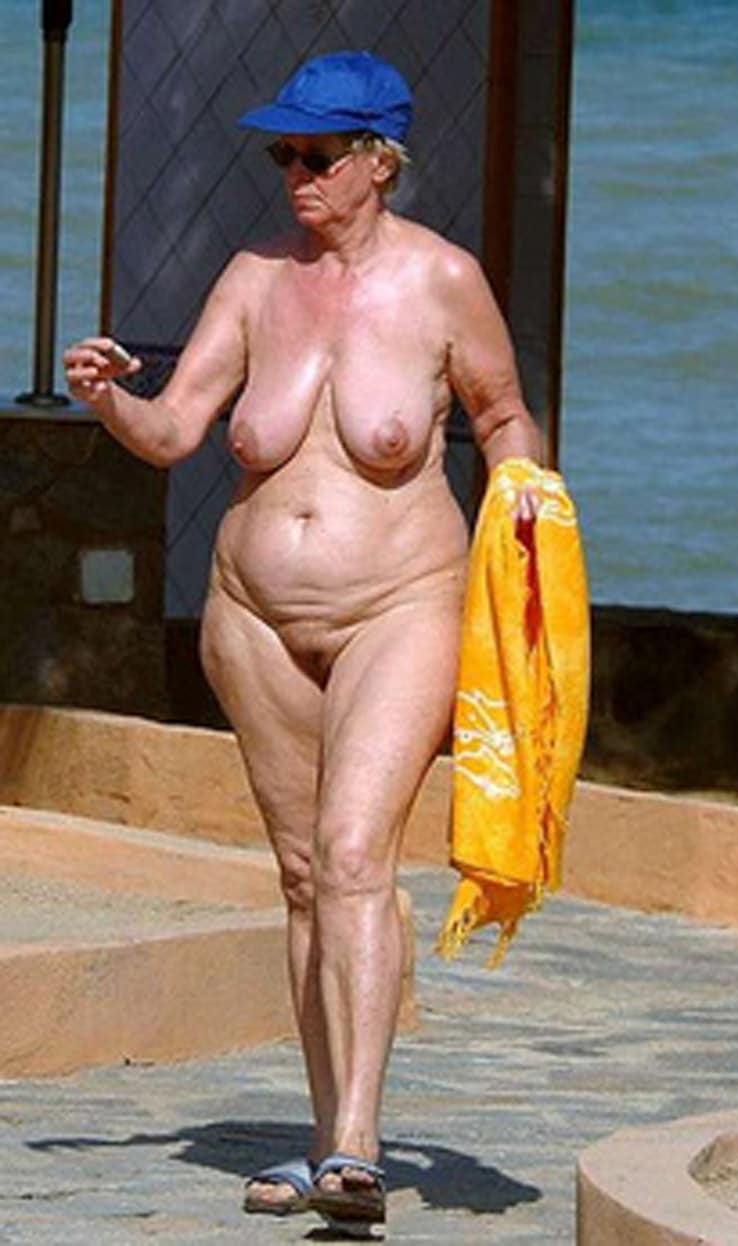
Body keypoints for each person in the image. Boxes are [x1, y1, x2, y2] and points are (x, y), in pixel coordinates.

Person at [64, 49, 542, 1233]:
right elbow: (177, 429)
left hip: (402, 604)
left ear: (380, 160)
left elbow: (501, 416)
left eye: (318, 156)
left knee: (353, 851)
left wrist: (531, 513)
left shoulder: (444, 281)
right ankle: (327, 1137)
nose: (296, 176)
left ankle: (359, 1146)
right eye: (283, 155)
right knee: (299, 874)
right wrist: (110, 397)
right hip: (254, 617)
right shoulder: (255, 280)